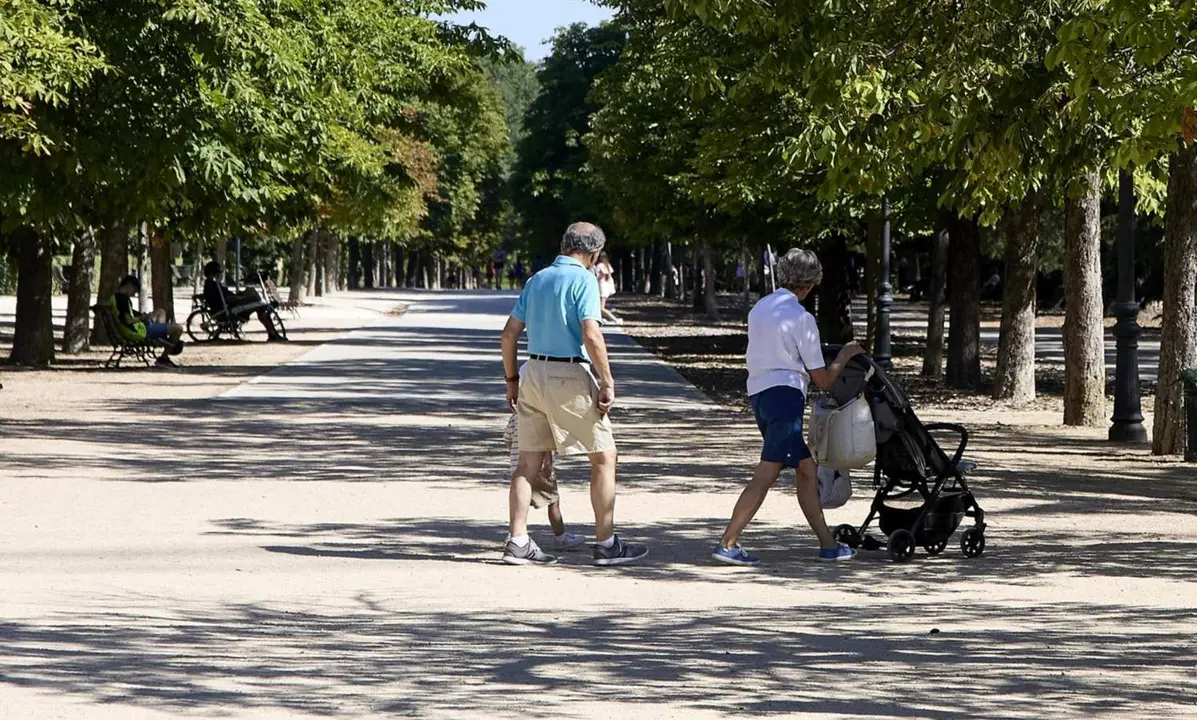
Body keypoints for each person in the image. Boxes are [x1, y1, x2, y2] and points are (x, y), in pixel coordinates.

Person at [499, 222, 648, 566]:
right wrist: (607, 380)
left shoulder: (536, 280)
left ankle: (518, 540)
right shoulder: (583, 279)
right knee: (603, 456)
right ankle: (606, 542)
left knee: (527, 463)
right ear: (594, 253)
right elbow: (592, 334)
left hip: (533, 372)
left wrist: (511, 380)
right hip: (569, 373)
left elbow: (508, 334)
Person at [712, 248, 865, 566]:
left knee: (806, 470)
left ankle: (827, 544)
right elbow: (822, 379)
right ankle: (728, 542)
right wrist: (846, 355)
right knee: (766, 472)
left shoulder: (759, 309)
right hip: (786, 397)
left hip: (760, 395)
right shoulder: (802, 318)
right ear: (809, 285)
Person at [502, 411, 585, 552]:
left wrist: (514, 454)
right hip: (540, 468)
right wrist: (548, 461)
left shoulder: (515, 417)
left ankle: (513, 535)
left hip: (517, 467)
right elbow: (545, 442)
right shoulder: (543, 415)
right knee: (553, 502)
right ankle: (561, 536)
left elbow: (507, 439)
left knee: (520, 503)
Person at [202, 261, 285, 341]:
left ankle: (272, 333)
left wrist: (240, 295)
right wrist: (239, 298)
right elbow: (223, 299)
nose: (220, 274)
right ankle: (272, 334)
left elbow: (224, 297)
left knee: (254, 296)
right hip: (231, 309)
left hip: (232, 305)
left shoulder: (212, 284)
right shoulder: (213, 285)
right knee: (260, 305)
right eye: (218, 272)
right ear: (214, 273)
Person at [112, 275, 185, 367]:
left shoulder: (116, 298)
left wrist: (144, 316)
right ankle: (164, 356)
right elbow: (128, 320)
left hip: (139, 327)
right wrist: (142, 318)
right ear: (129, 285)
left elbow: (127, 315)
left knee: (160, 312)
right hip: (139, 331)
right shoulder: (122, 300)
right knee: (178, 328)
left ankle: (161, 338)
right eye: (134, 290)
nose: (134, 294)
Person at [592, 251, 620, 325]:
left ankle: (615, 319)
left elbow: (597, 275)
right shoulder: (607, 265)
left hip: (601, 288)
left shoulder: (599, 265)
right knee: (599, 307)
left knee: (601, 308)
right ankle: (601, 319)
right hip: (606, 288)